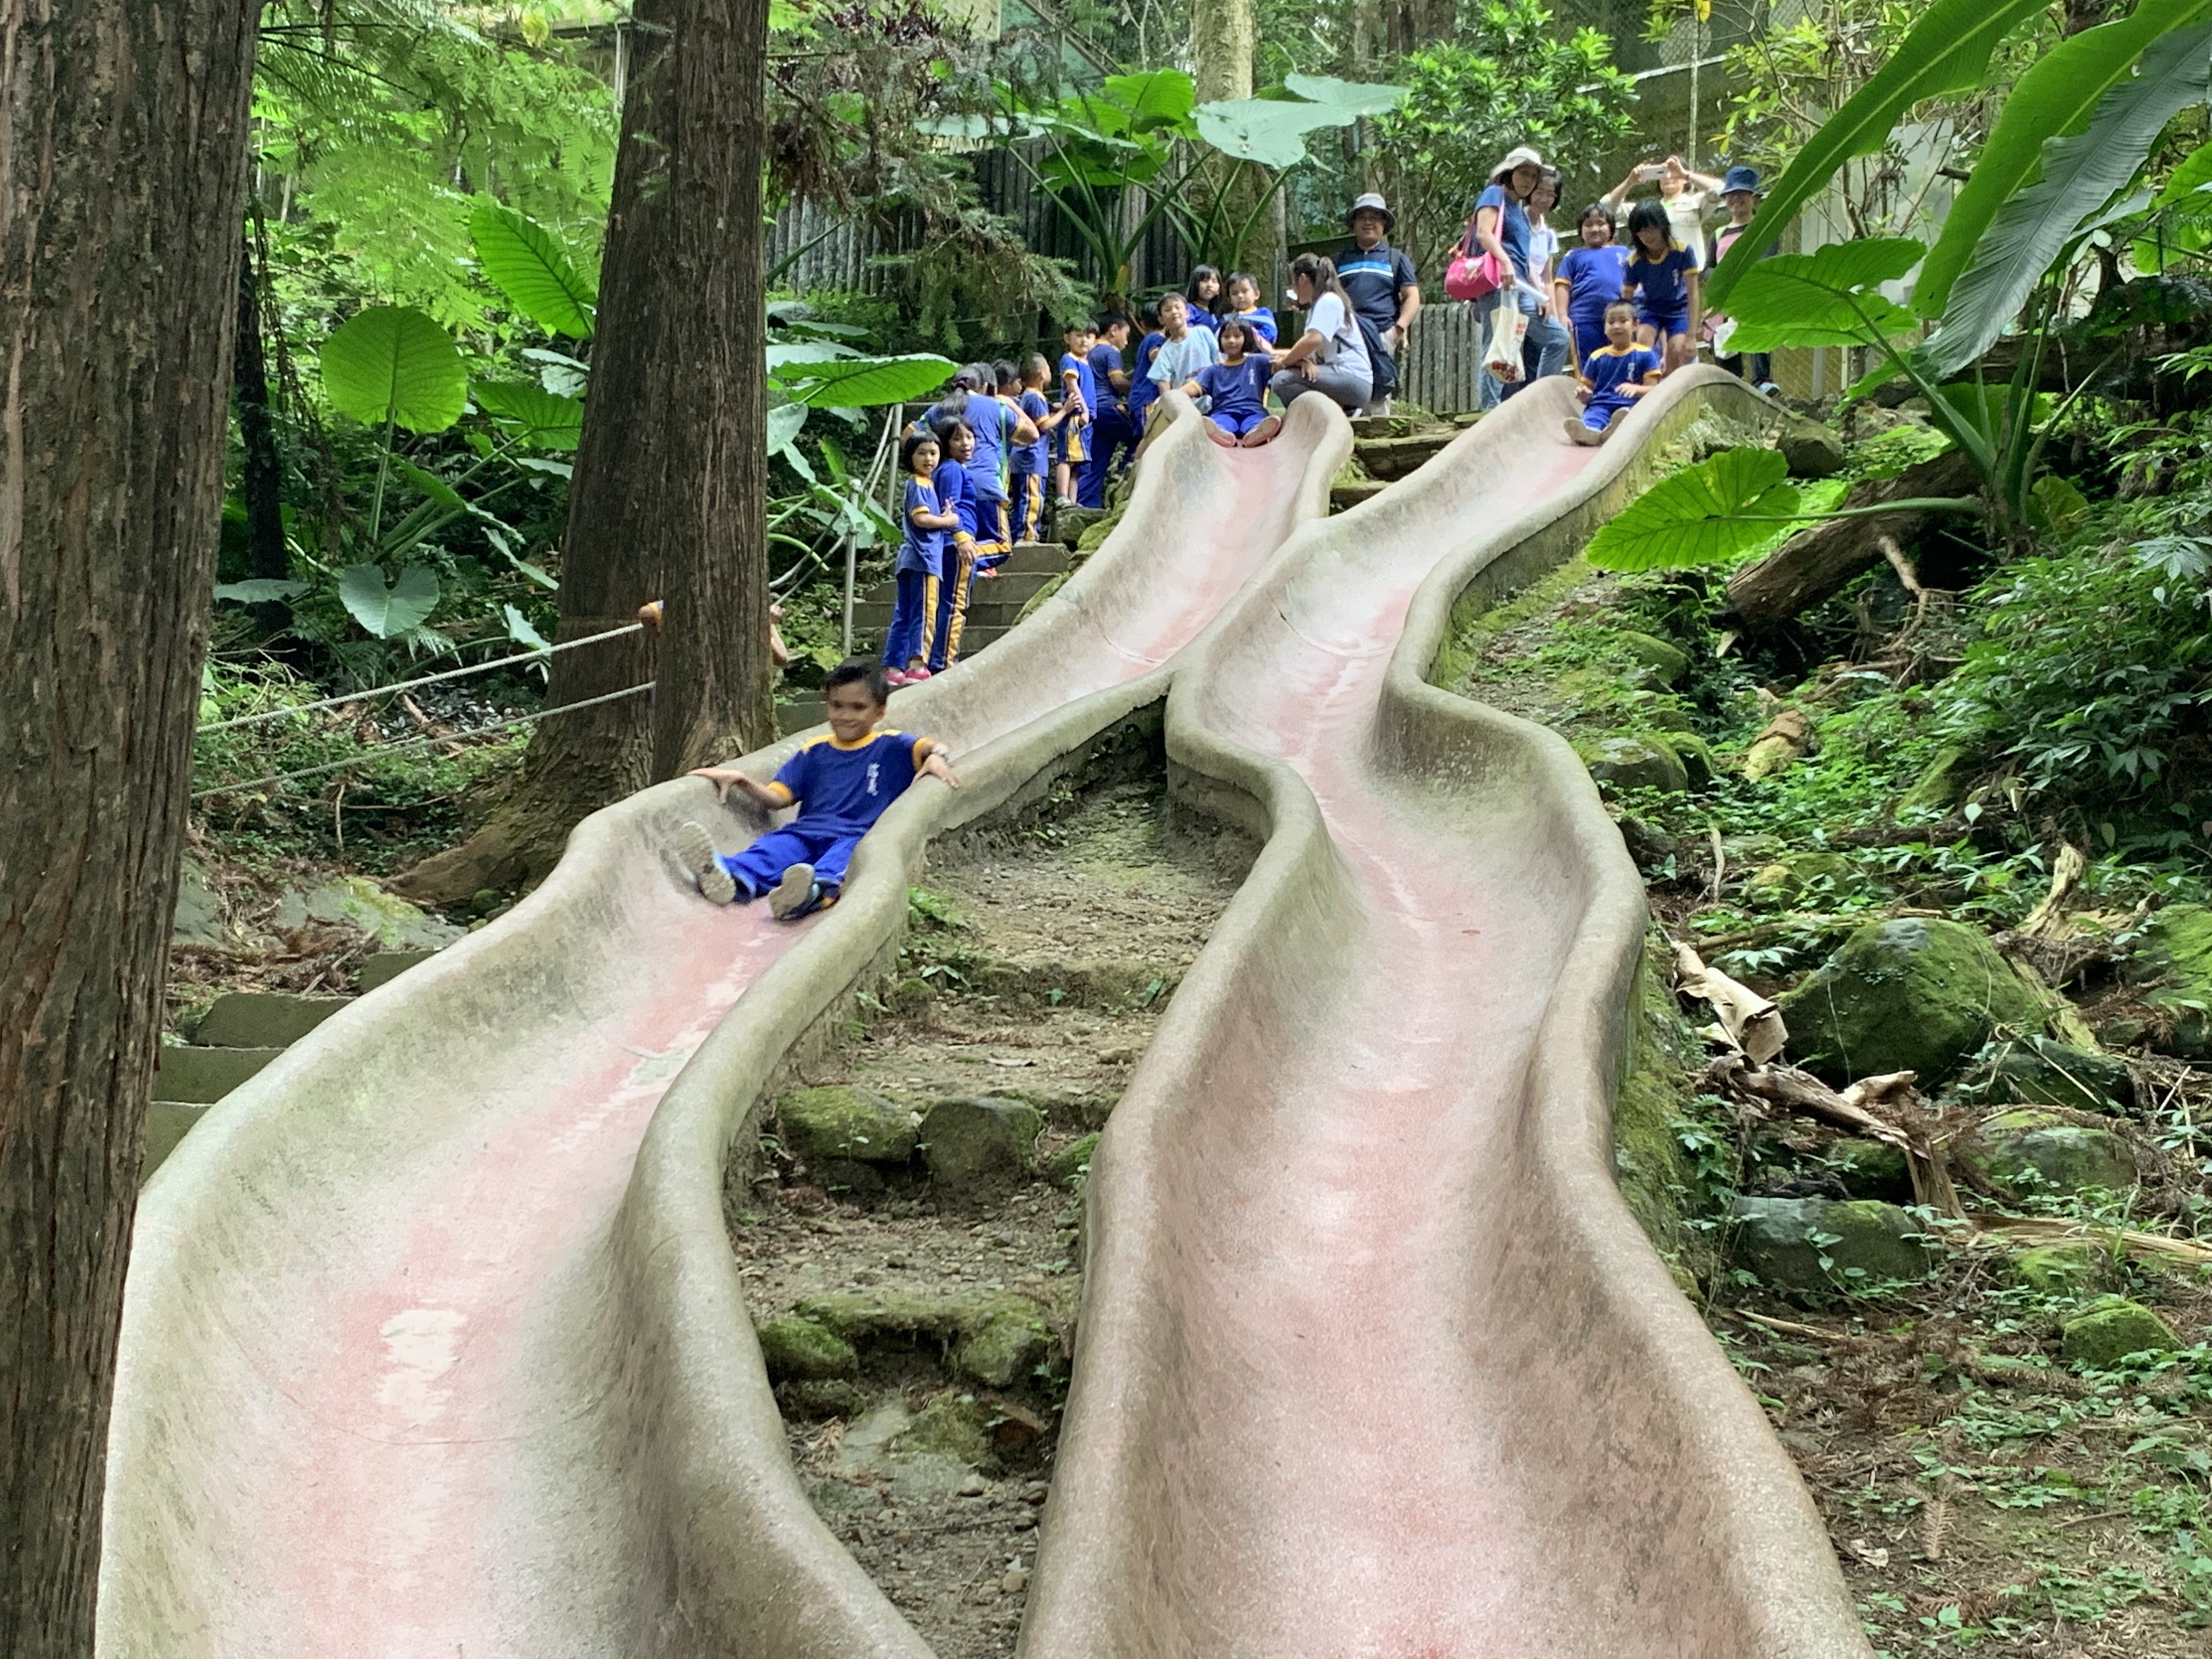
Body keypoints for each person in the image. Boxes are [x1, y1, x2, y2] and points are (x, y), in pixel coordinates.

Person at [676, 658, 960, 921]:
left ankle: (808, 893)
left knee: (841, 861)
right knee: (772, 849)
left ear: (880, 711)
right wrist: (742, 780)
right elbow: (778, 799)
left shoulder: (891, 745)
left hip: (854, 836)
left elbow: (934, 747)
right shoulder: (815, 751)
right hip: (805, 833)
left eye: (858, 707)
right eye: (837, 706)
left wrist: (936, 756)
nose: (845, 715)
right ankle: (727, 875)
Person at [1470, 146, 1544, 410]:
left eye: (1534, 176)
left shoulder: (1521, 212)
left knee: (1554, 338)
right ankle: (1488, 411)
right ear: (1509, 173)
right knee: (1498, 345)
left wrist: (1541, 295)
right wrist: (1505, 262)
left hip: (1521, 287)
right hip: (1500, 283)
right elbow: (1483, 233)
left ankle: (1536, 400)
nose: (1529, 181)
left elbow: (1526, 260)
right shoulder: (1494, 195)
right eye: (1524, 173)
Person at [1334, 192, 1421, 417]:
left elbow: (1412, 296)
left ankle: (1380, 439)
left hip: (1382, 334)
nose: (1368, 222)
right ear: (1354, 223)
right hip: (1346, 336)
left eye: (1375, 217)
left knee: (1380, 389)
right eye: (1362, 217)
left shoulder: (1396, 258)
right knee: (1344, 389)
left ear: (1384, 224)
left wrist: (1398, 329)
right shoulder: (1340, 260)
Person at [882, 431, 955, 683]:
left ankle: (893, 667)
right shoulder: (921, 484)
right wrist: (948, 520)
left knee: (905, 612)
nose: (929, 458)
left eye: (934, 453)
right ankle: (917, 663)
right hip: (925, 559)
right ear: (910, 457)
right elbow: (921, 518)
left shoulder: (923, 484)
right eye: (921, 453)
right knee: (924, 612)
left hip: (910, 558)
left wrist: (943, 514)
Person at [1706, 164, 1780, 394]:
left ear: (1754, 198)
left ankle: (1762, 381)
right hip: (1724, 300)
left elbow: (1768, 260)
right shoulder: (1718, 234)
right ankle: (1731, 386)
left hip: (1754, 296)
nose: (1737, 199)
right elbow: (1709, 267)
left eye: (1743, 194)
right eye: (1732, 194)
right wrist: (1720, 279)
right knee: (1724, 344)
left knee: (1757, 336)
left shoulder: (1764, 230)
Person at [1268, 252, 1373, 414]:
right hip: (1340, 375)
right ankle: (1339, 409)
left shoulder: (1328, 301)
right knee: (1288, 376)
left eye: (1293, 284)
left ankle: (1329, 414)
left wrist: (1285, 363)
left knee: (1283, 380)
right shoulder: (1318, 306)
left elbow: (1313, 340)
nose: (1294, 290)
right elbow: (1308, 351)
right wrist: (1294, 360)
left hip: (1352, 377)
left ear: (1302, 279)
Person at [923, 411, 979, 673]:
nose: (966, 443)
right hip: (956, 544)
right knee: (955, 603)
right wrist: (961, 537)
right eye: (958, 439)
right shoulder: (953, 470)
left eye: (970, 437)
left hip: (947, 545)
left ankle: (938, 658)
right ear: (945, 443)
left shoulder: (947, 469)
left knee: (946, 602)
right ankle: (944, 661)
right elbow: (950, 506)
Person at [1564, 299, 1662, 447]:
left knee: (1626, 415)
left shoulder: (1645, 355)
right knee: (1593, 417)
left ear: (1635, 325)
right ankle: (1590, 432)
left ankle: (1617, 429)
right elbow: (1587, 389)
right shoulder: (1597, 357)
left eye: (1623, 321)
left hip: (1629, 405)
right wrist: (1584, 395)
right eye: (1611, 322)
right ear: (1605, 328)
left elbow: (1653, 390)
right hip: (1600, 404)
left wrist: (1637, 389)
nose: (1616, 326)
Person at [1508, 166, 1570, 397]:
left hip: (1539, 300)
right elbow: (1524, 264)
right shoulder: (1516, 219)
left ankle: (1541, 397)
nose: (1544, 199)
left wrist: (1552, 310)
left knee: (1554, 341)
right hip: (1515, 294)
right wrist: (1539, 296)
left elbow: (1547, 277)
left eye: (1551, 194)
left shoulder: (1548, 234)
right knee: (1510, 356)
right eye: (1540, 192)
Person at [1622, 199, 1702, 374]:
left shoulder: (1682, 252)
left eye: (1651, 228)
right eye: (1641, 231)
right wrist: (1625, 329)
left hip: (1678, 310)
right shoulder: (1634, 261)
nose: (1647, 236)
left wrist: (1692, 336)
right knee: (1642, 343)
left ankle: (1667, 389)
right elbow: (1626, 298)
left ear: (1663, 226)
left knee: (1676, 350)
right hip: (1650, 308)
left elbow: (1693, 293)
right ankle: (1645, 389)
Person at [1553, 203, 1630, 372]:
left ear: (1611, 228)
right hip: (1584, 321)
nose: (1595, 229)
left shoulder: (1624, 253)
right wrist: (1562, 316)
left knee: (1622, 364)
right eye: (1589, 225)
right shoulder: (1573, 256)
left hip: (1621, 320)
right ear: (1581, 230)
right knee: (1589, 368)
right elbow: (1562, 286)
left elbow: (1637, 283)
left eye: (1601, 223)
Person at [1180, 318, 1279, 447]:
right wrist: (1170, 396)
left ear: (1246, 338)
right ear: (1220, 340)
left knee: (1256, 421)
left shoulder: (1257, 362)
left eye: (1237, 336)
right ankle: (1221, 433)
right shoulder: (1214, 370)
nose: (1231, 341)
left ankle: (1256, 433)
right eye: (1226, 337)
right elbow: (1194, 387)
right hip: (1224, 411)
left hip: (1253, 410)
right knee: (1220, 422)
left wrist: (1303, 362)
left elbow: (1283, 362)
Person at [1011, 356, 1068, 546]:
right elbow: (1044, 425)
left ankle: (1025, 533)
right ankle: (1026, 536)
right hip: (1031, 458)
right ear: (1041, 374)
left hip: (1030, 459)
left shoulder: (1033, 397)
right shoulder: (1034, 397)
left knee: (1026, 498)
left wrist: (1055, 408)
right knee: (1031, 499)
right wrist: (1065, 411)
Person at [1081, 315, 1135, 508]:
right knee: (1141, 431)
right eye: (1126, 335)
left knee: (1096, 463)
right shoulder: (1110, 351)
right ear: (1114, 330)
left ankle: (1087, 504)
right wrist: (1137, 389)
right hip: (1108, 407)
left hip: (1092, 413)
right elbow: (1118, 382)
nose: (1127, 342)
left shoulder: (1089, 352)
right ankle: (1124, 470)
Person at [1147, 292, 1221, 401]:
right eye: (1168, 310)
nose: (1174, 312)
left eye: (1178, 307)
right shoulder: (1165, 352)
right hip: (1187, 407)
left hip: (1214, 400)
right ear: (1161, 320)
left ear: (1187, 313)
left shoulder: (1203, 333)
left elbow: (1219, 361)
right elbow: (1165, 390)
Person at [1055, 318, 1096, 506]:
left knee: (1078, 465)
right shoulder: (1069, 359)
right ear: (1067, 338)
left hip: (1086, 419)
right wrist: (1084, 410)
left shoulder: (1087, 363)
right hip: (1076, 416)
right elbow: (1072, 386)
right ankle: (1062, 496)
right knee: (1068, 458)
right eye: (1079, 336)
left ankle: (1072, 501)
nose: (1084, 340)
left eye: (1089, 336)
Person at [1125, 301, 1167, 433]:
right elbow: (1157, 359)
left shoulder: (1147, 340)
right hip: (1148, 399)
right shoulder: (1158, 339)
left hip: (1140, 398)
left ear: (1143, 323)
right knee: (1152, 438)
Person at [1223, 272, 1278, 346]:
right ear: (1230, 300)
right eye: (1235, 293)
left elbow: (1270, 334)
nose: (1240, 296)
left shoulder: (1263, 314)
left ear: (1256, 294)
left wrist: (1245, 337)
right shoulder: (1226, 319)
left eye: (1245, 291)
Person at [1184, 266, 1225, 332]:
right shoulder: (1189, 310)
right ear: (1195, 285)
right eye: (1205, 281)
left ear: (1219, 290)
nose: (1209, 285)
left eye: (1214, 281)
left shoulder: (1215, 315)